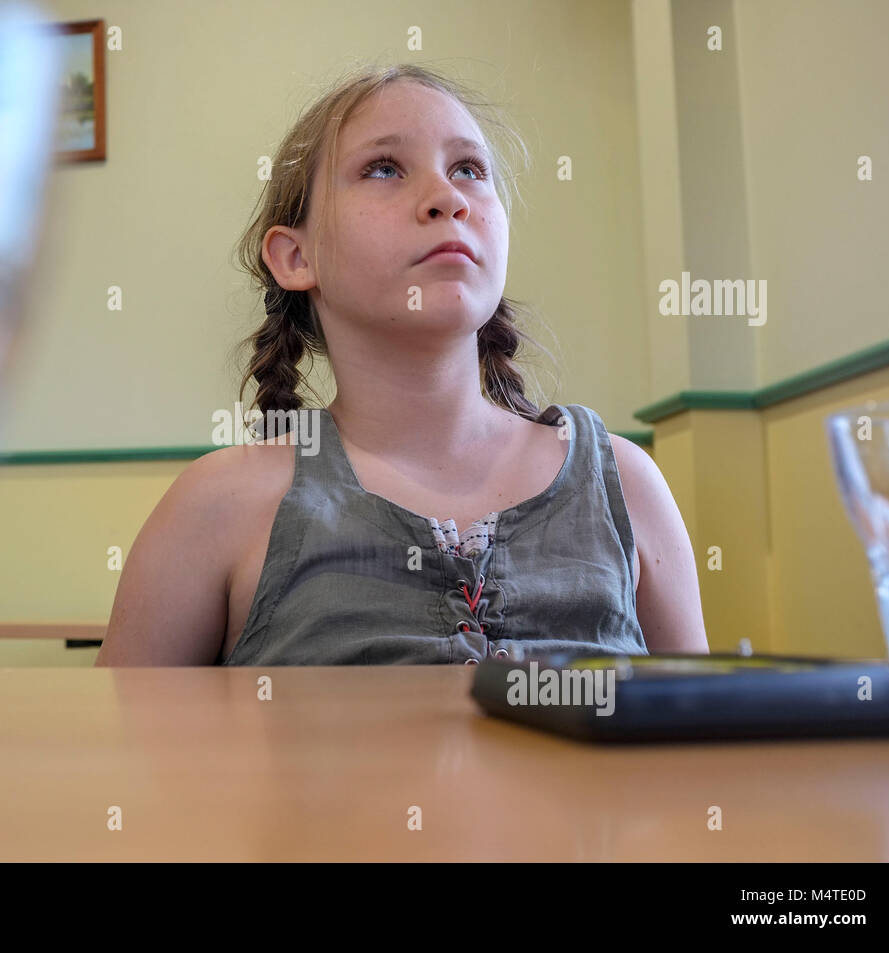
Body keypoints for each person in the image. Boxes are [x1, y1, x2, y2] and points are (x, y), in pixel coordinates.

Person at [97, 64, 708, 666]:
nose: (448, 198)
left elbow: (702, 747)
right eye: (383, 168)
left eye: (468, 170)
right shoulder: (217, 505)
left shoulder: (624, 483)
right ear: (295, 256)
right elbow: (124, 759)